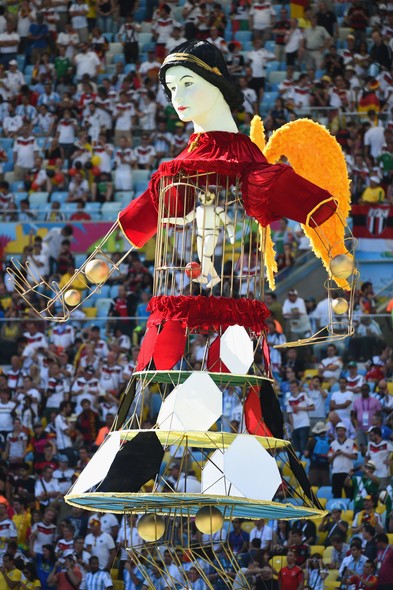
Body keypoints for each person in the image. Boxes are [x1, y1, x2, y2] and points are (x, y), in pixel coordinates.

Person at [328, 422, 357, 499]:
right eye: (338, 430)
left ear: (345, 431)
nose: (340, 432)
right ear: (336, 431)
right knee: (336, 494)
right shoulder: (333, 444)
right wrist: (335, 454)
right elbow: (329, 460)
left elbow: (355, 456)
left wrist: (343, 453)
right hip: (336, 472)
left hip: (348, 472)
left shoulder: (352, 443)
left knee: (350, 494)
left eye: (342, 430)